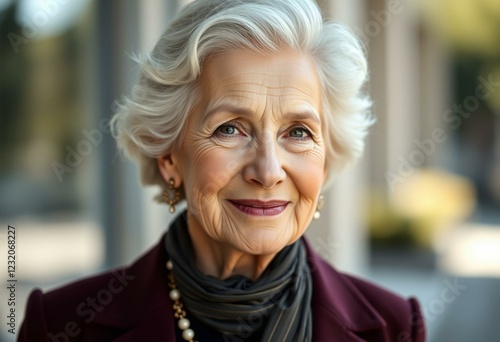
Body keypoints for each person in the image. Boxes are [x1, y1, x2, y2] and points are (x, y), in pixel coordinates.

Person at [19, 0, 426, 341]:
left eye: (298, 132)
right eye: (229, 129)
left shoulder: (394, 328)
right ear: (169, 157)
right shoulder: (61, 325)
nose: (267, 171)